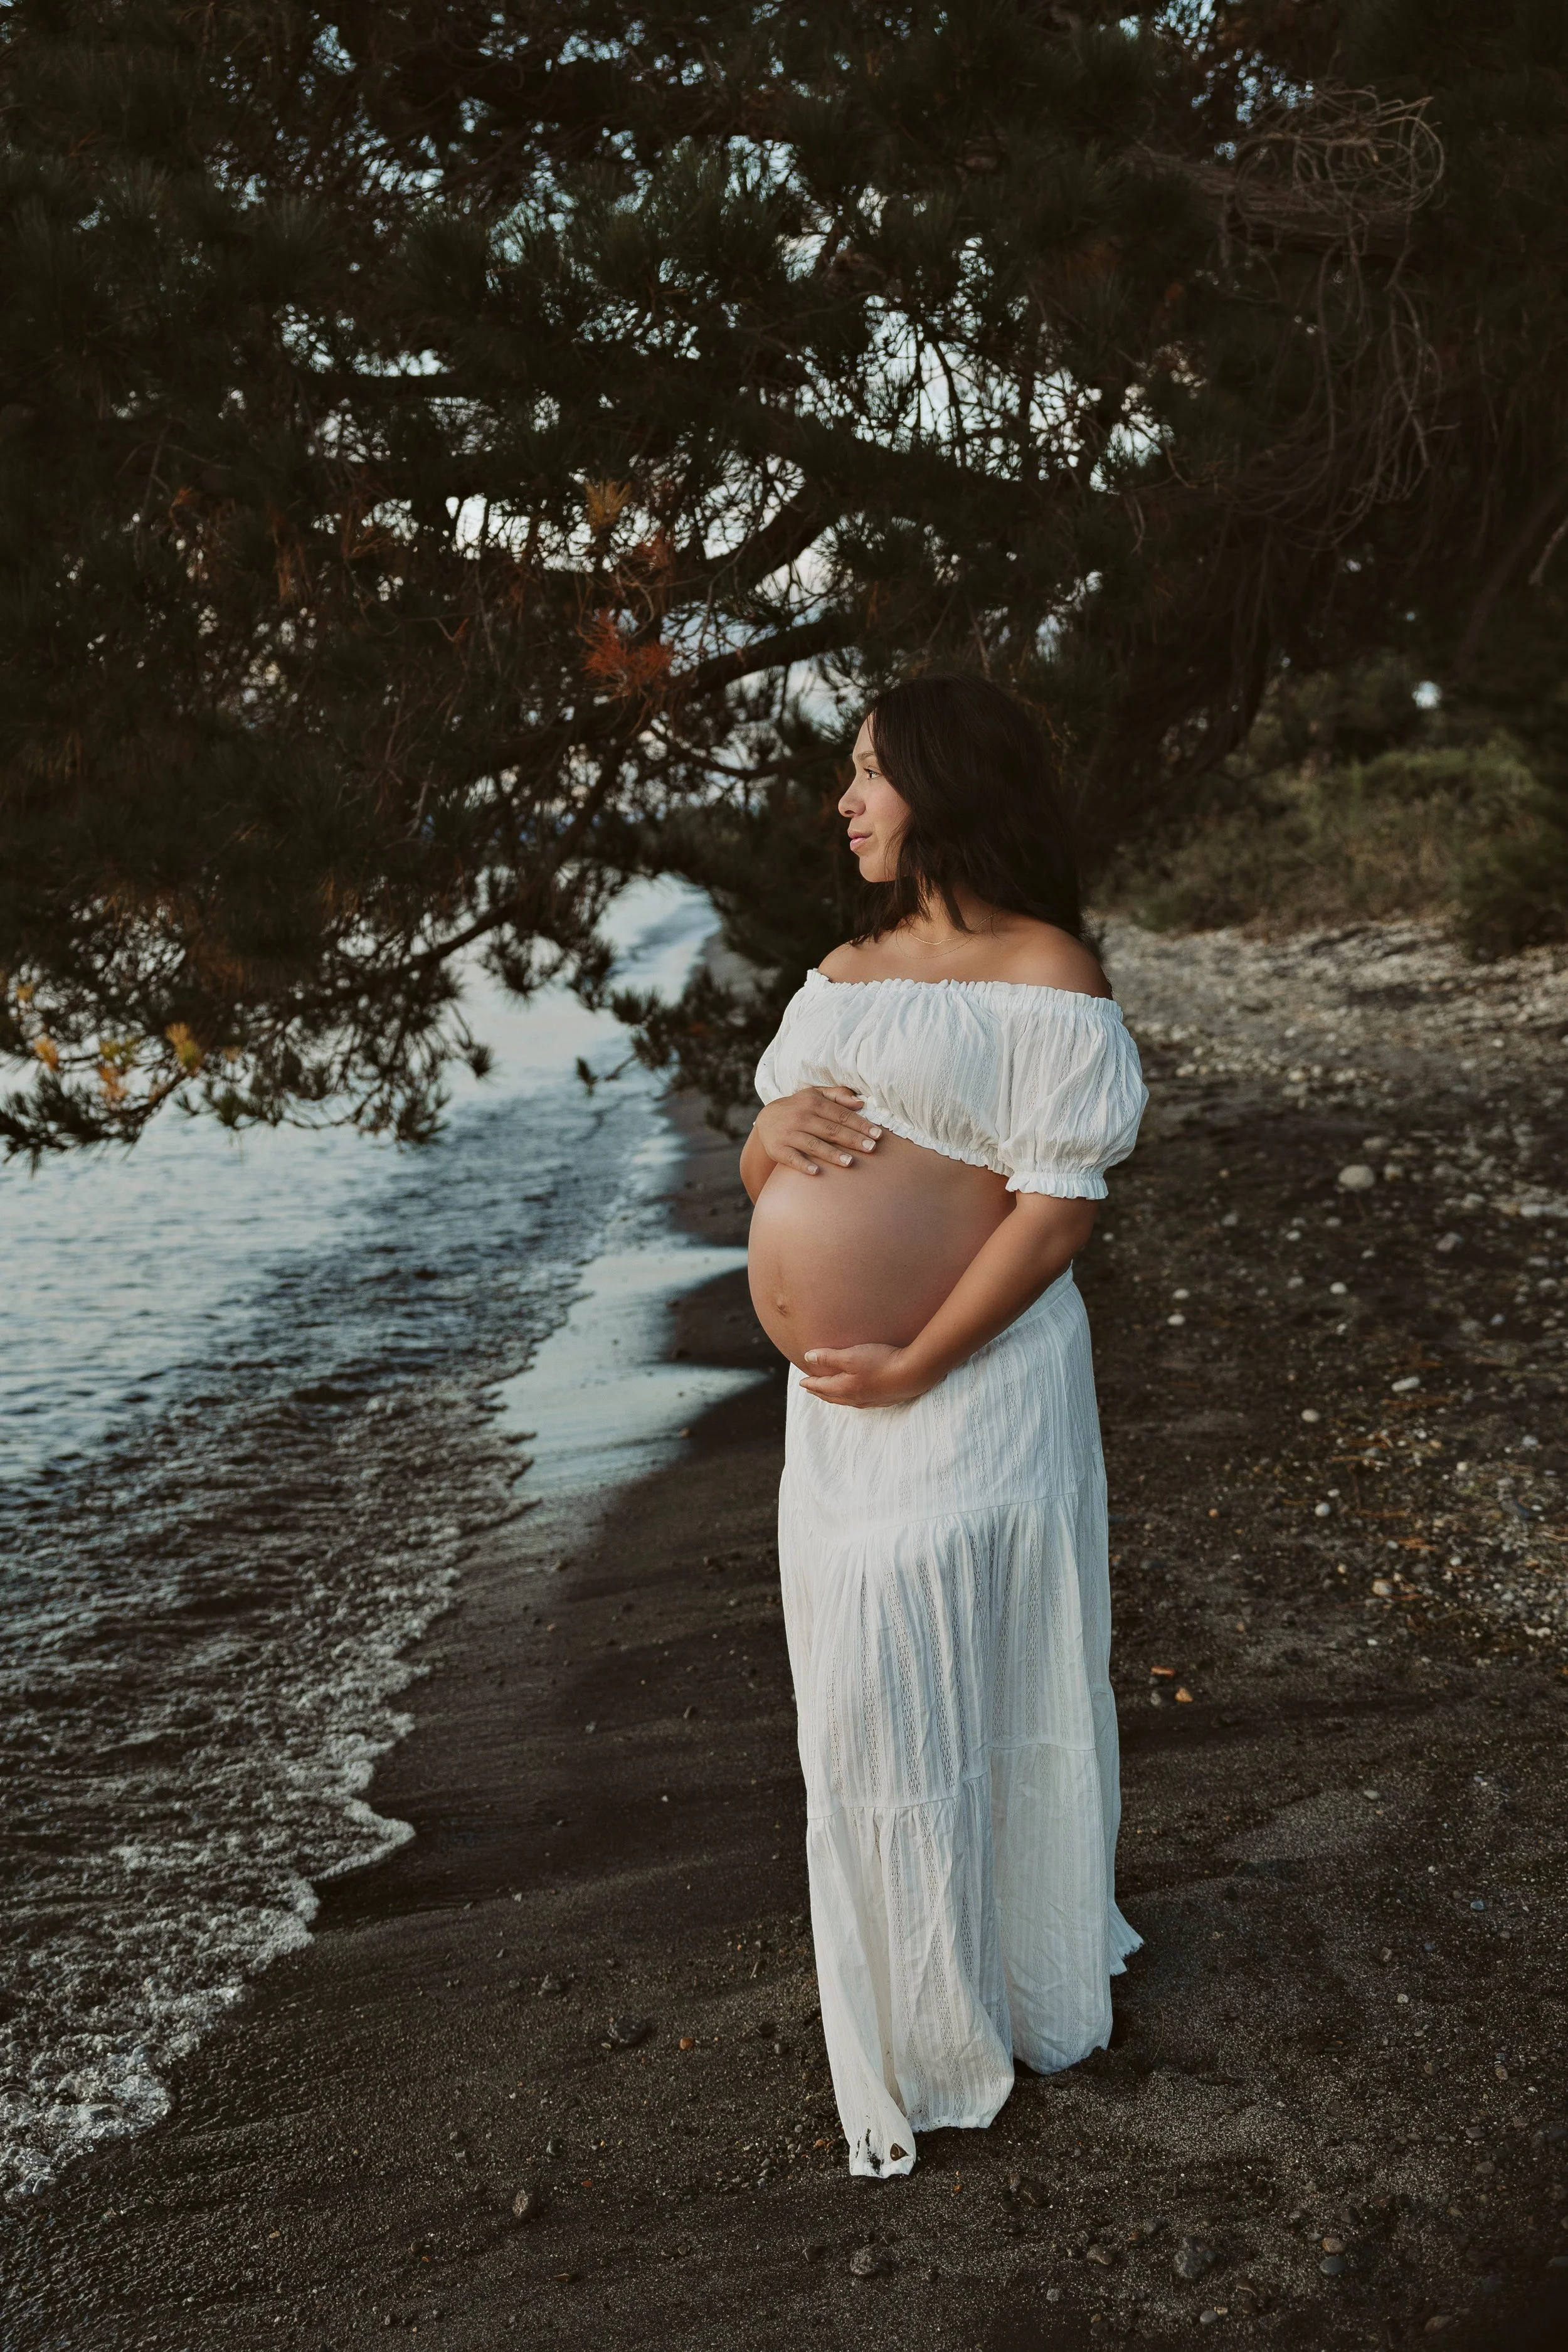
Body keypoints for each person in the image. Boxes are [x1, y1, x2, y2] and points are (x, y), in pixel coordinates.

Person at [739, 672, 1148, 2178]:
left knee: (968, 1673)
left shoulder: (1048, 972)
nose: (844, 801)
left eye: (868, 773)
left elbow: (1050, 1215)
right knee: (862, 1703)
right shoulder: (841, 967)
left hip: (976, 1396)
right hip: (840, 1428)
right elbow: (772, 1157)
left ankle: (1009, 1991)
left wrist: (916, 1360)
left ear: (945, 786)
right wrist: (759, 1137)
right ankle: (911, 2003)